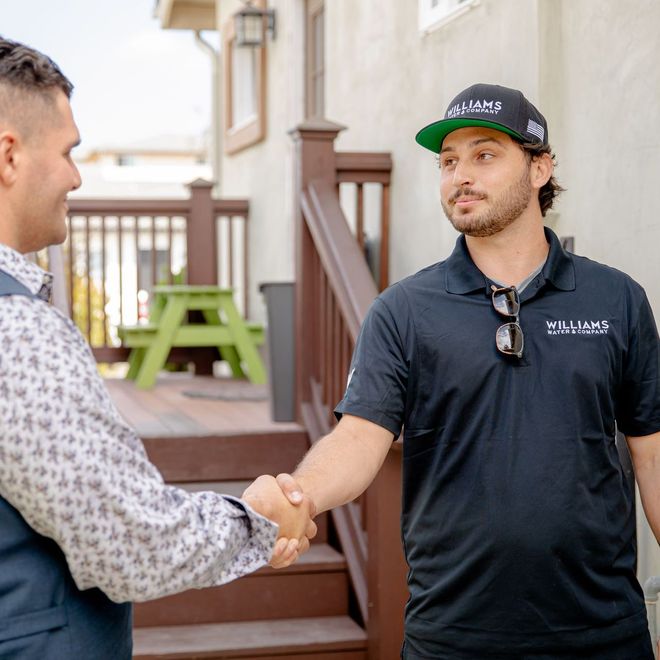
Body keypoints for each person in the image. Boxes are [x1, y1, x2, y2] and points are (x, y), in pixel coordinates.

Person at [259, 83, 660, 658]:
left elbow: (652, 451)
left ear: (540, 167)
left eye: (485, 155)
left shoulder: (616, 300)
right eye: (448, 161)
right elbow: (358, 438)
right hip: (452, 636)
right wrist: (298, 495)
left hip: (601, 634)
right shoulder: (402, 311)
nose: (459, 175)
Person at [0, 36, 316, 659]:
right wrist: (259, 516)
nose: (76, 175)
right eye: (67, 152)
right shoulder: (18, 331)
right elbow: (128, 541)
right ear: (7, 156)